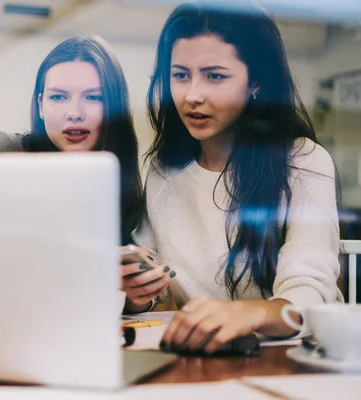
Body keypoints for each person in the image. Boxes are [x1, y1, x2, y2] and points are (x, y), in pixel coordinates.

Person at [123, 1, 341, 353]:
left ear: (255, 82)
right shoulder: (164, 169)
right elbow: (155, 290)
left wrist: (248, 313)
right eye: (180, 75)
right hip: (202, 358)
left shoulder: (304, 161)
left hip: (290, 358)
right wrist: (135, 295)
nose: (192, 95)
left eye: (215, 76)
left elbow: (310, 294)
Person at [0, 35, 143, 246]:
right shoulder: (4, 154)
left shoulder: (119, 179)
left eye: (93, 97)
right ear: (40, 105)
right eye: (58, 97)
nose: (74, 113)